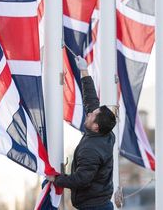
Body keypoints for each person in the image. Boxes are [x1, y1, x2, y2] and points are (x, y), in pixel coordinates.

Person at [47, 56, 117, 210]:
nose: (89, 114)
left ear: (96, 127)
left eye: (92, 115)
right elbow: (91, 101)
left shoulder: (91, 150)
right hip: (102, 204)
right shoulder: (107, 134)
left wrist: (56, 179)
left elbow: (81, 180)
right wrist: (84, 71)